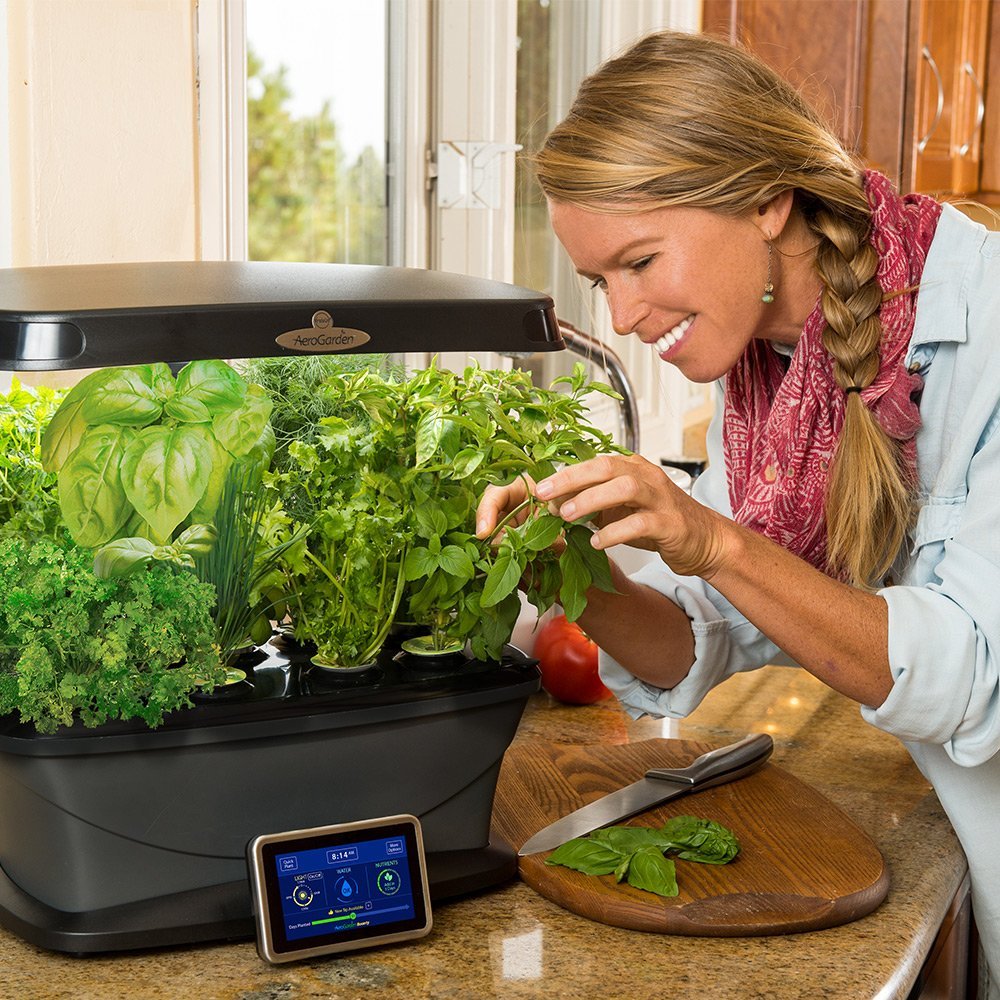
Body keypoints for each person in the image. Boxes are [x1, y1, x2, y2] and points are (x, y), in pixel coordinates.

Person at [476, 30, 1000, 998]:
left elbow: (969, 675)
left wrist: (711, 540)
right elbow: (702, 640)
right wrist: (569, 571)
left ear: (765, 199)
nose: (622, 315)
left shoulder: (988, 320)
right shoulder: (768, 380)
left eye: (639, 260)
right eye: (601, 281)